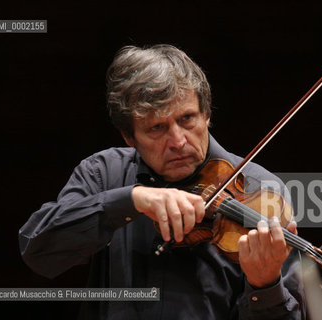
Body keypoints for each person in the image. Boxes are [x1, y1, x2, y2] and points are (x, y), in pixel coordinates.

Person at [19, 44, 305, 320]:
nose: (178, 141)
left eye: (187, 118)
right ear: (129, 137)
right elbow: (39, 250)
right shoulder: (104, 173)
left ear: (206, 114)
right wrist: (131, 200)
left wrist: (264, 286)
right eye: (157, 128)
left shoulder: (261, 189)